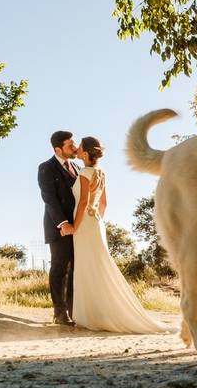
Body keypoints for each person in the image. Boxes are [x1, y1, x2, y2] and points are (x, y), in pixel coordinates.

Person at [70, 136, 169, 333]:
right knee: (98, 265)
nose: (77, 149)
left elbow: (82, 202)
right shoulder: (101, 173)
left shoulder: (85, 172)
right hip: (96, 222)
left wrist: (75, 226)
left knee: (87, 266)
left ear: (87, 153)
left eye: (80, 147)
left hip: (84, 224)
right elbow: (104, 202)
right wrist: (96, 217)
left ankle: (90, 315)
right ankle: (98, 312)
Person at [37, 130, 78, 326]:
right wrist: (63, 223)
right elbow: (49, 198)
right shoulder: (46, 167)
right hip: (59, 227)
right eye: (70, 145)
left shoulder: (77, 167)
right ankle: (60, 313)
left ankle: (73, 310)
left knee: (76, 269)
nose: (75, 148)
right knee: (60, 268)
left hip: (79, 227)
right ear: (58, 149)